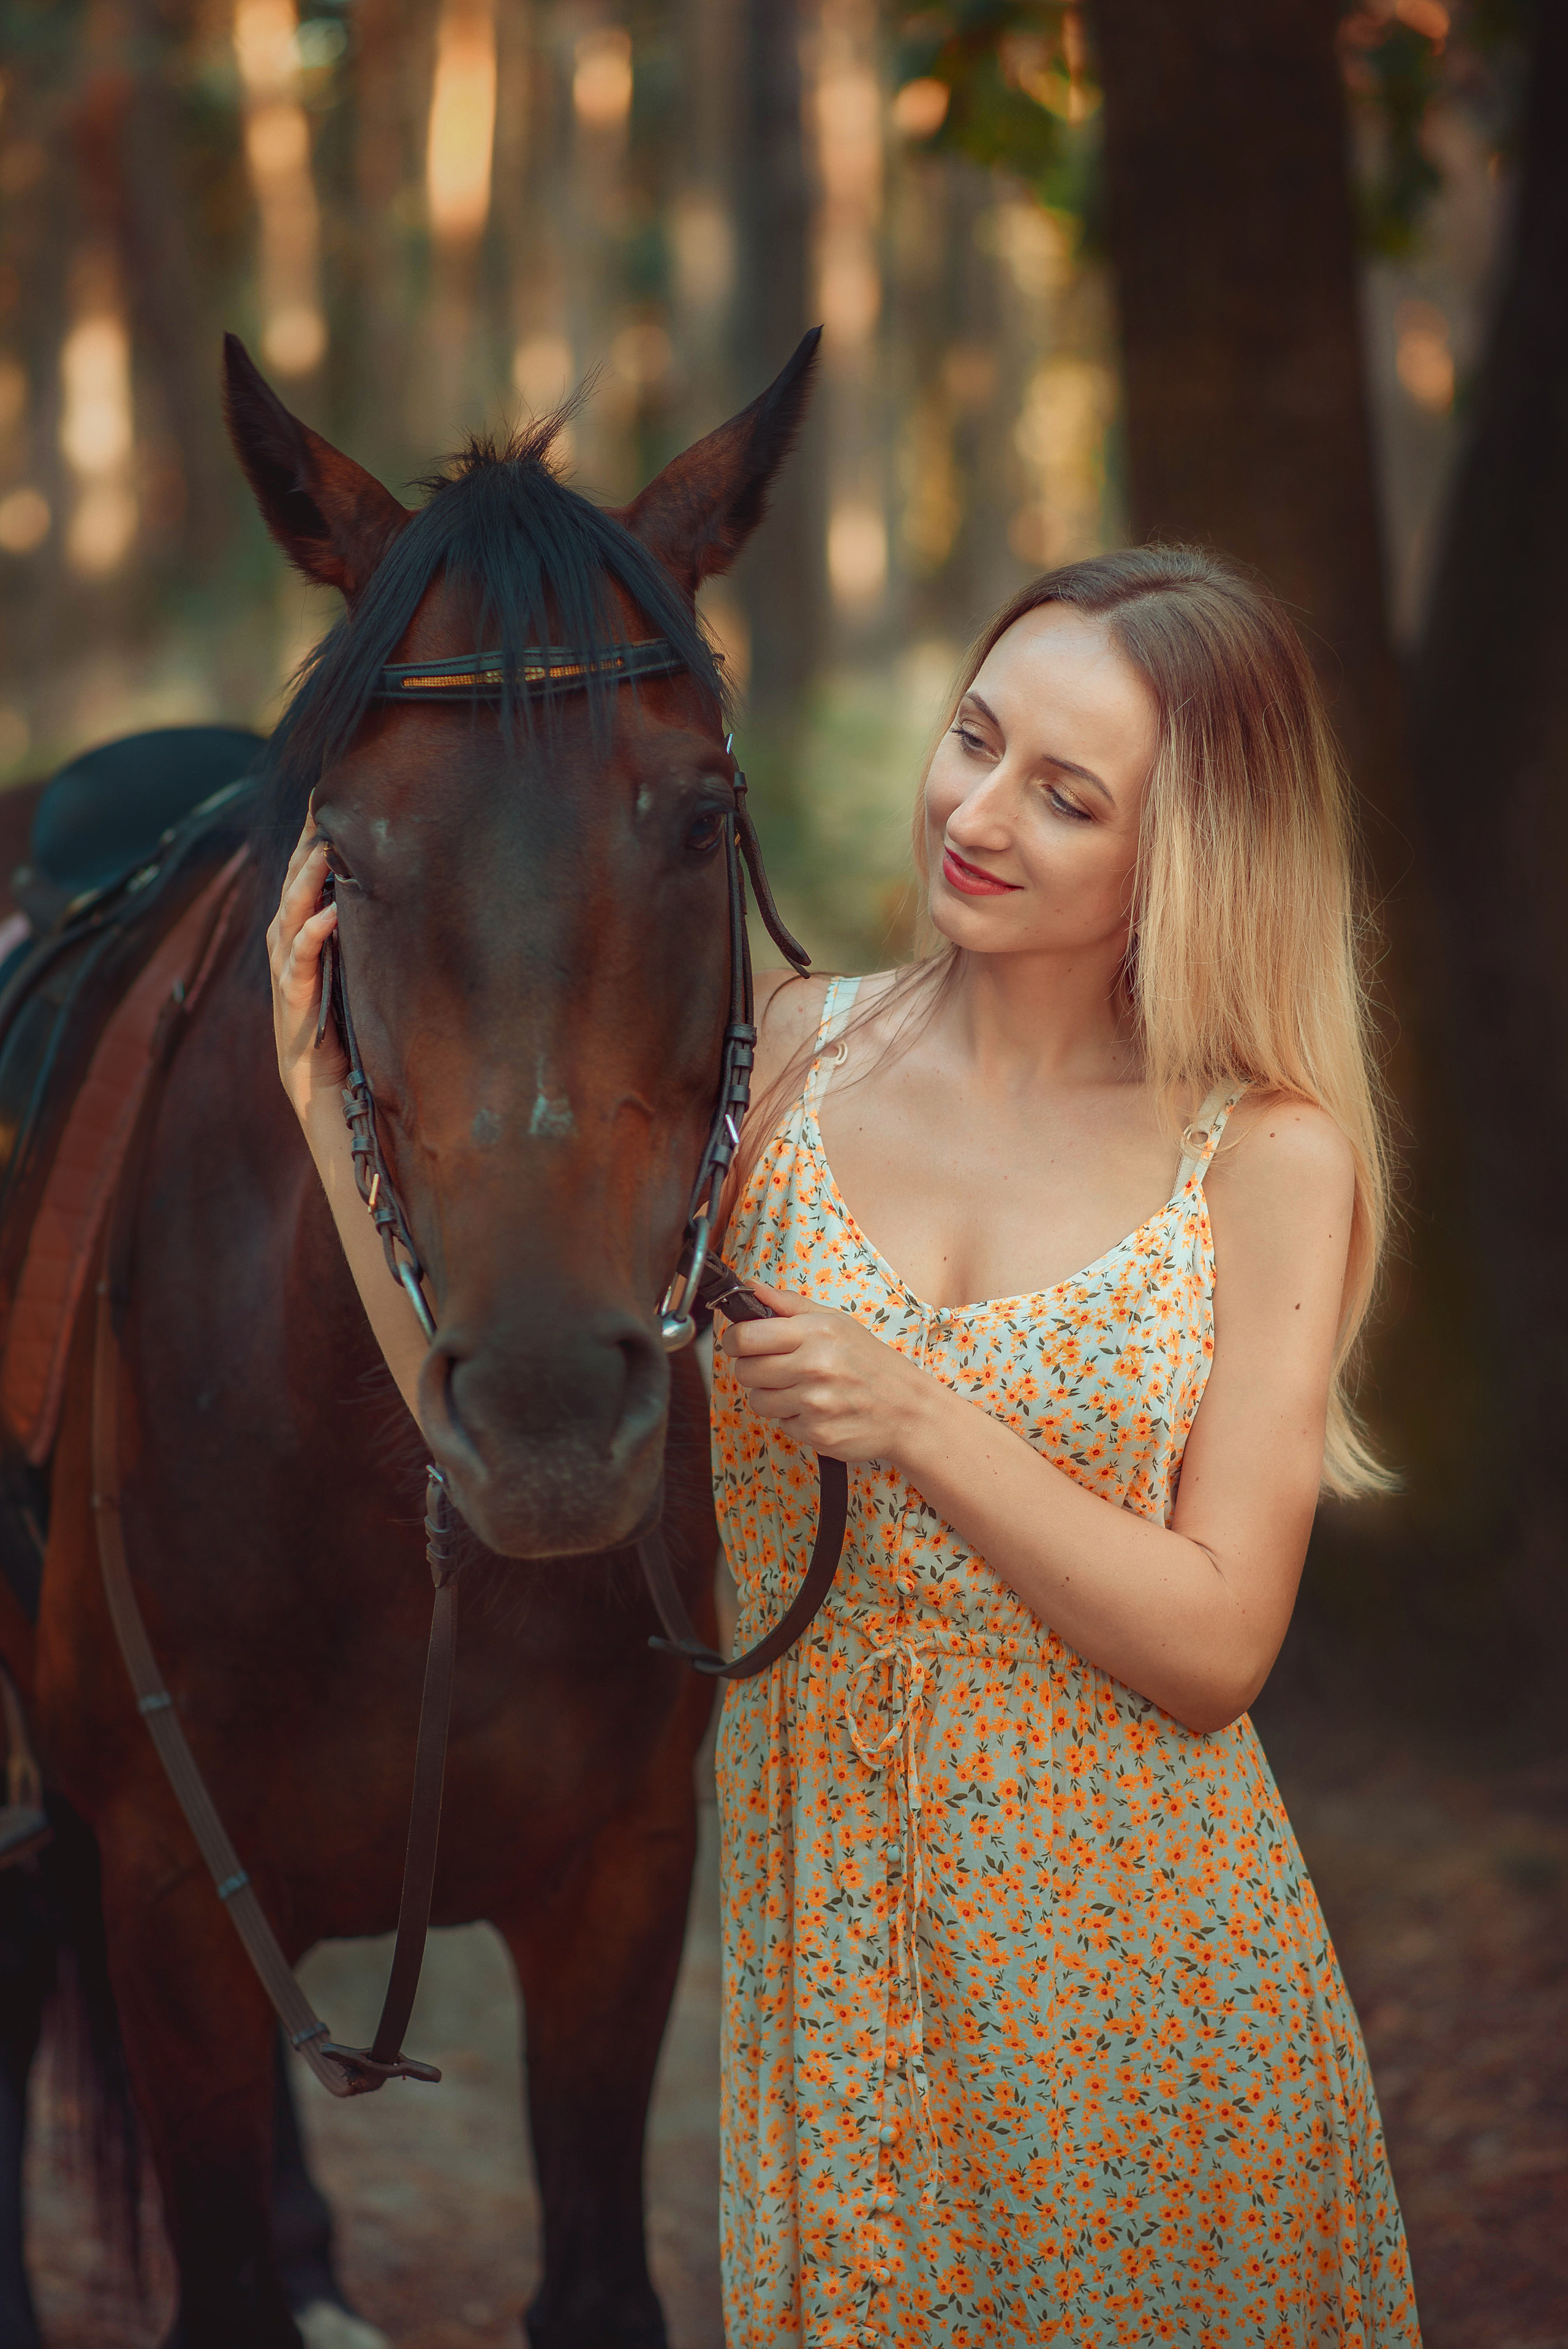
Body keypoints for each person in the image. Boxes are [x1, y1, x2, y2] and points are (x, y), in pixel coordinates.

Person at [272, 545, 1421, 2347]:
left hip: (1149, 1971)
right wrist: (322, 1119)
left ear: (1183, 854)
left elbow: (1217, 1647)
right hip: (841, 1960)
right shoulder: (792, 1059)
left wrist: (917, 1420)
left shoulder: (1264, 1153)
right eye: (975, 736)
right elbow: (499, 1431)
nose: (978, 809)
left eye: (1067, 795)